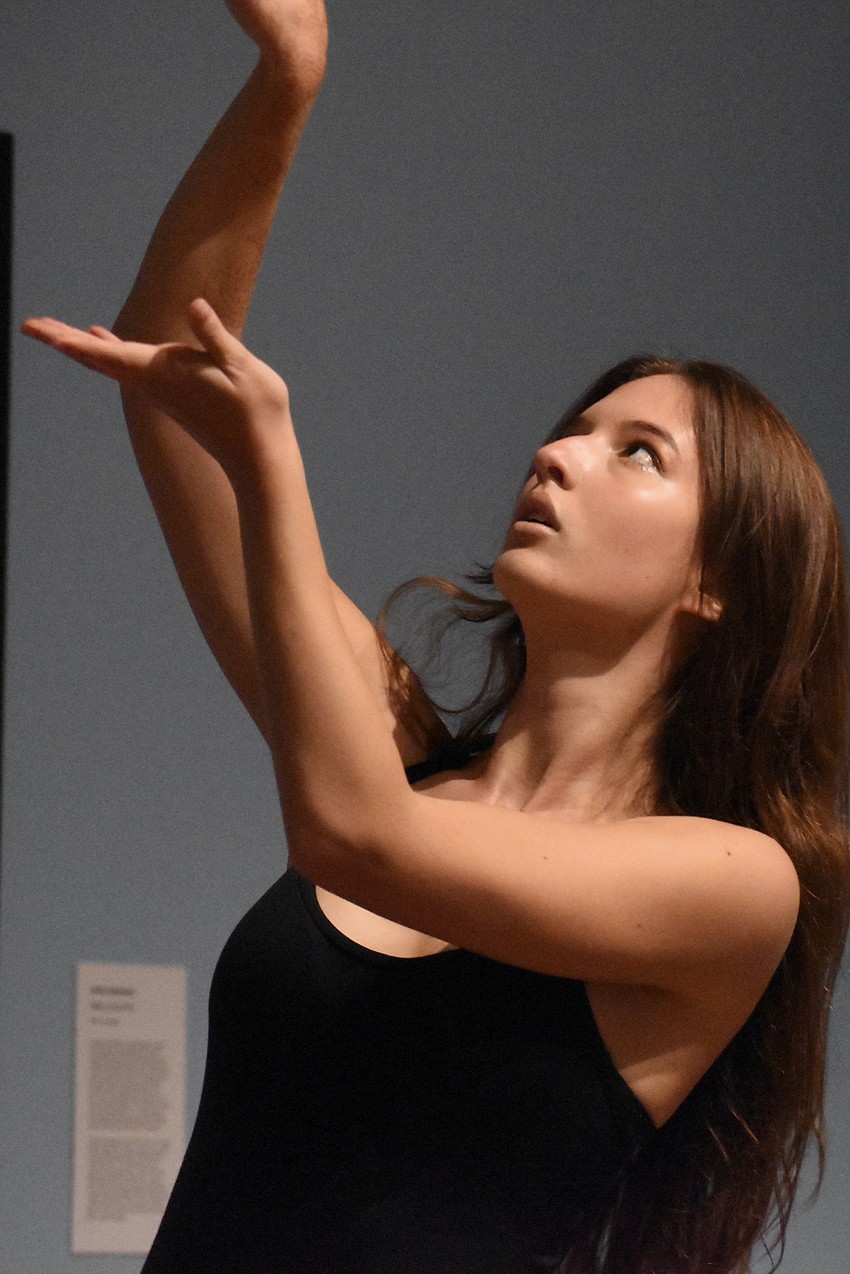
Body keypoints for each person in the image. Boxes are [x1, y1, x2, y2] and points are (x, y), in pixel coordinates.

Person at [22, 2, 849, 1271]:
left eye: (636, 453)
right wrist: (287, 81)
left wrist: (276, 461)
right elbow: (172, 402)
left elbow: (355, 835)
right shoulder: (402, 749)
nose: (558, 451)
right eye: (573, 426)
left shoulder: (734, 885)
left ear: (718, 583)